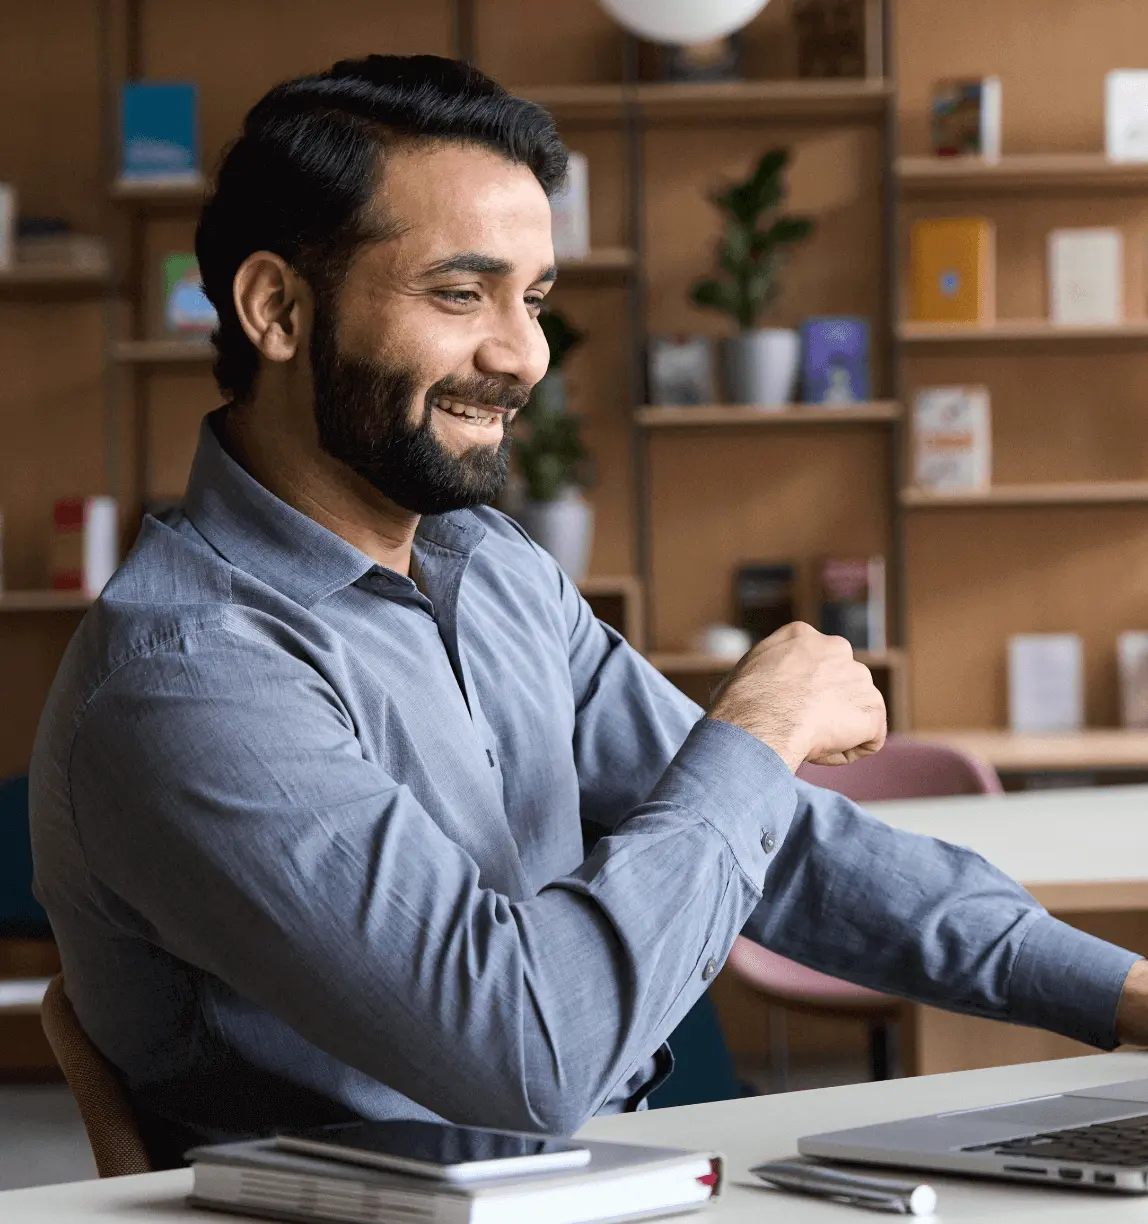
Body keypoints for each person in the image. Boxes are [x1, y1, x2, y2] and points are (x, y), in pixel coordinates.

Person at [29, 54, 1148, 1170]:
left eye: (533, 298)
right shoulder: (190, 673)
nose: (521, 356)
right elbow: (525, 1054)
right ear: (276, 308)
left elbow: (782, 847)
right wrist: (755, 730)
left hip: (608, 1176)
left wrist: (1122, 994)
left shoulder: (490, 571)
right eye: (459, 294)